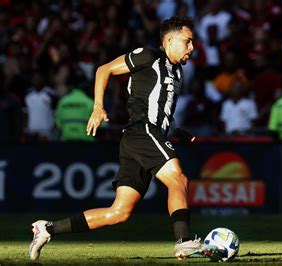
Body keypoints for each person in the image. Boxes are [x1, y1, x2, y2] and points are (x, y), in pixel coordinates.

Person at [29, 16, 216, 261]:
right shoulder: (149, 56)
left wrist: (177, 131)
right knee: (178, 179)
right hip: (142, 131)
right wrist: (98, 107)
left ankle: (47, 228)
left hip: (145, 136)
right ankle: (183, 242)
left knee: (119, 212)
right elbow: (103, 69)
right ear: (170, 40)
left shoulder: (177, 72)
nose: (192, 47)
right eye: (187, 41)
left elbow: (161, 110)